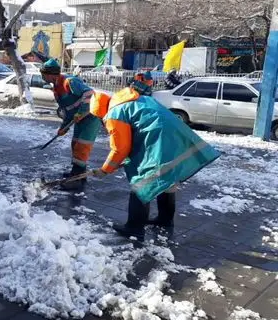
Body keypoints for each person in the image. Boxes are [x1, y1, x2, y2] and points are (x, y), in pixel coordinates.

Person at [88, 88, 220, 241]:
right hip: (175, 136)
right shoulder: (137, 100)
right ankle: (165, 219)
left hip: (159, 140)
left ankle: (134, 227)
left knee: (142, 182)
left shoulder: (114, 114)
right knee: (166, 177)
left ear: (100, 113)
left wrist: (105, 170)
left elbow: (120, 148)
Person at [40, 59, 100, 190]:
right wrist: (63, 128)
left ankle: (77, 178)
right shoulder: (56, 89)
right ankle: (78, 174)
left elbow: (89, 94)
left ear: (51, 74)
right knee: (75, 144)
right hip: (79, 118)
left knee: (82, 146)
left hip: (90, 117)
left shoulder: (70, 82)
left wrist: (82, 112)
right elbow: (68, 110)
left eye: (43, 74)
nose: (42, 77)